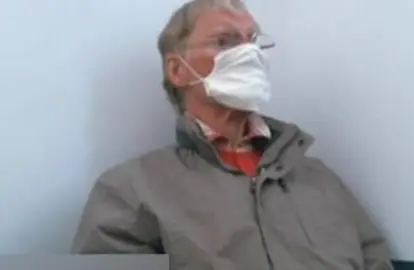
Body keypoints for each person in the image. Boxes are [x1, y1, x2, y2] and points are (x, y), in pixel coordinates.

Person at [72, 0, 394, 269]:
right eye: (225, 42)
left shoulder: (319, 179)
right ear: (177, 70)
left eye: (254, 40)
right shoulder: (130, 192)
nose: (249, 53)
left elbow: (376, 260)